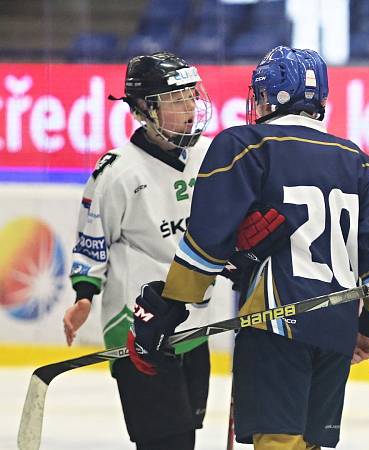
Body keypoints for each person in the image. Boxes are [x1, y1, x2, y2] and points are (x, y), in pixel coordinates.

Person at [126, 46, 369, 450]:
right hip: (337, 328)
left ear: (269, 97)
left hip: (277, 324)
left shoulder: (246, 144)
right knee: (307, 444)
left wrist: (170, 308)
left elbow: (207, 239)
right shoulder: (358, 161)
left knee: (277, 442)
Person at [62, 51, 214, 450]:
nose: (189, 107)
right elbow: (93, 237)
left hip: (193, 325)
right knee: (164, 442)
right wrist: (84, 296)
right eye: (176, 99)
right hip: (137, 326)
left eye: (190, 96)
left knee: (186, 438)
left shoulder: (208, 156)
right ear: (146, 108)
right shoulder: (117, 171)